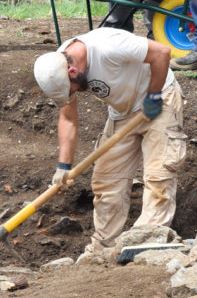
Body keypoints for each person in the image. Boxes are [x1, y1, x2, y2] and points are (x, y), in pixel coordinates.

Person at [33, 27, 186, 256]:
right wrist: (63, 167)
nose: (74, 92)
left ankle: (148, 240)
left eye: (72, 87)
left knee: (159, 174)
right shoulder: (57, 67)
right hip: (123, 112)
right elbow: (68, 117)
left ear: (73, 70)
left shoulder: (109, 46)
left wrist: (153, 95)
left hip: (159, 98)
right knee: (106, 181)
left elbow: (162, 52)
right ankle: (103, 249)